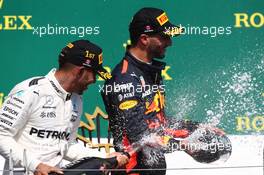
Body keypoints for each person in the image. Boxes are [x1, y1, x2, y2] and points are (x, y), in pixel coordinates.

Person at [0, 40, 129, 175]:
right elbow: (1, 135)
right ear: (80, 71)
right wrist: (36, 165)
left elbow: (67, 146)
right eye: (94, 74)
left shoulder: (76, 99)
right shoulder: (31, 91)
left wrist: (103, 157)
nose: (94, 81)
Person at [100, 7, 193, 175]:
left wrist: (195, 128)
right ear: (144, 39)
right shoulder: (124, 79)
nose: (170, 42)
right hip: (133, 170)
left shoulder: (149, 72)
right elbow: (141, 135)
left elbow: (157, 123)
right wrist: (184, 145)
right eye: (164, 37)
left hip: (152, 168)